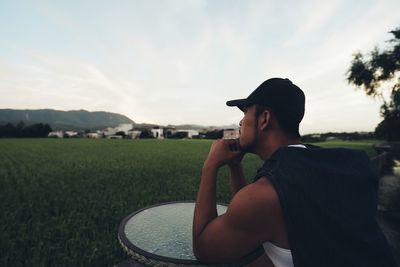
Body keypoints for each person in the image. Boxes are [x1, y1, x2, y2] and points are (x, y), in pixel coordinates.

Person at [192, 78, 397, 267]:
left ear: (264, 119)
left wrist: (210, 166)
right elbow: (255, 220)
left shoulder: (269, 192)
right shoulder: (331, 164)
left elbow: (204, 248)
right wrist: (235, 166)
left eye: (245, 112)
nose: (240, 123)